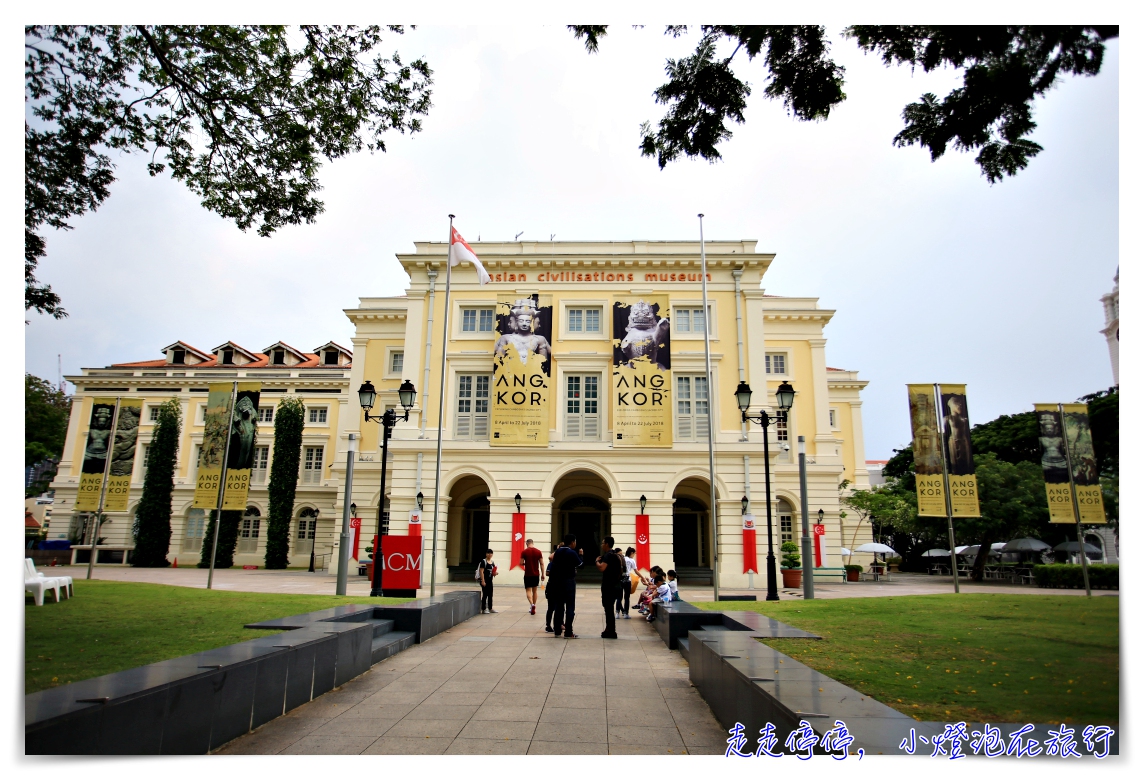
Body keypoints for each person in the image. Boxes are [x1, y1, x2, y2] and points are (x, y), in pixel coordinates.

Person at [548, 533, 583, 638]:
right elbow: (581, 565)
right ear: (572, 542)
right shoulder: (572, 553)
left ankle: (557, 630)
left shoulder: (558, 552)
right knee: (570, 607)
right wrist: (581, 554)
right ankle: (568, 631)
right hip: (569, 582)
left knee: (559, 606)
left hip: (558, 582)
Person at [596, 537, 624, 639]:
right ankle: (610, 629)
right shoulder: (614, 554)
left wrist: (596, 562)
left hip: (609, 586)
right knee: (609, 608)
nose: (601, 544)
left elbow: (602, 567)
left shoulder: (608, 555)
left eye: (603, 543)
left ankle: (611, 631)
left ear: (607, 544)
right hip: (616, 585)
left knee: (608, 608)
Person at [520, 538, 545, 615]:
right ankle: (534, 605)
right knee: (535, 591)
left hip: (528, 574)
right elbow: (541, 563)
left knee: (528, 590)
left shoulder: (524, 552)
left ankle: (532, 605)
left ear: (527, 543)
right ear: (532, 543)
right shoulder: (538, 552)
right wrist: (543, 574)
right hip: (536, 574)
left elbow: (521, 563)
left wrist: (526, 564)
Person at [544, 543, 561, 633]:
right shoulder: (552, 563)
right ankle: (548, 624)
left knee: (559, 607)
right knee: (551, 607)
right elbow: (547, 573)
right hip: (552, 586)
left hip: (556, 586)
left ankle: (558, 624)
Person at [618, 547, 638, 619]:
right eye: (634, 553)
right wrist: (642, 577)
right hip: (627, 580)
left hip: (620, 579)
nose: (634, 555)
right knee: (627, 597)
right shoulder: (632, 560)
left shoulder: (622, 558)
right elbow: (636, 571)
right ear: (631, 553)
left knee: (619, 597)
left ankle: (617, 613)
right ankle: (626, 613)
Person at [478, 548, 497, 614]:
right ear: (486, 554)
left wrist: (495, 573)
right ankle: (483, 608)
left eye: (491, 553)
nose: (490, 555)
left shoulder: (492, 562)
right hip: (484, 580)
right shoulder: (484, 561)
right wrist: (483, 581)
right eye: (488, 553)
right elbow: (481, 571)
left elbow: (493, 571)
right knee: (485, 594)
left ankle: (490, 608)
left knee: (490, 594)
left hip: (490, 580)